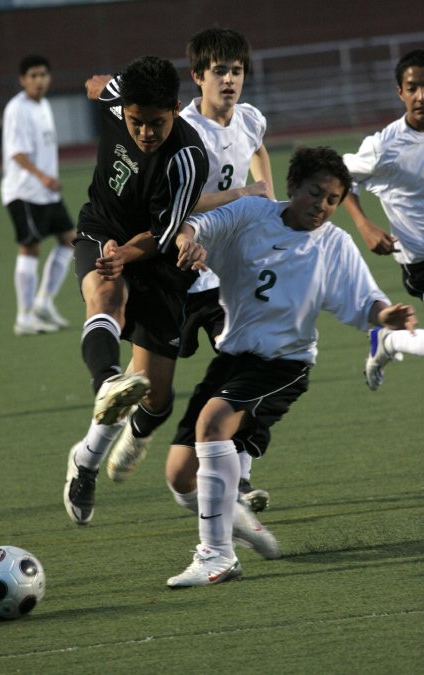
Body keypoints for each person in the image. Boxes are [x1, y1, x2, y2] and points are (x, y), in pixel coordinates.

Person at [165, 146, 416, 588]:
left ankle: (217, 555)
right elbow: (200, 223)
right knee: (180, 477)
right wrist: (188, 238)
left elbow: (364, 299)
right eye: (314, 193)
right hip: (234, 357)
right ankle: (239, 522)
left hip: (284, 364)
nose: (322, 206)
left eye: (332, 199)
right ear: (292, 187)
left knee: (213, 423)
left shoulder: (334, 244)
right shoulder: (250, 214)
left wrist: (384, 316)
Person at [107, 28, 274, 513]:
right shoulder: (183, 132)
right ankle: (137, 433)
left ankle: (236, 474)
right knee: (153, 392)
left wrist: (264, 186)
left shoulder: (250, 119)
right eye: (218, 71)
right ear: (197, 77)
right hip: (176, 273)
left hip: (229, 276)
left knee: (252, 367)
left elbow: (257, 148)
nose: (229, 80)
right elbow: (173, 205)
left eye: (236, 71)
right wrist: (243, 194)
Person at [63, 56, 209, 525]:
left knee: (156, 398)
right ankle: (90, 442)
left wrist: (125, 252)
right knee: (105, 297)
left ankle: (125, 432)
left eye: (157, 123)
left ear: (177, 109)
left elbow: (163, 236)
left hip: (154, 258)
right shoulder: (117, 99)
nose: (145, 132)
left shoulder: (188, 159)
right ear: (123, 108)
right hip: (99, 228)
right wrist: (101, 84)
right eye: (135, 122)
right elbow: (94, 83)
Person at [1, 54, 76, 336]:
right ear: (23, 80)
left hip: (47, 192)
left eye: (43, 74)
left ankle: (43, 302)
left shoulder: (43, 105)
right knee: (30, 248)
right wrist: (43, 176)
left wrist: (49, 180)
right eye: (33, 75)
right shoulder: (16, 109)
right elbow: (16, 152)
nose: (39, 80)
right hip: (25, 191)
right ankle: (24, 316)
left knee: (70, 240)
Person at [343, 49, 424, 301]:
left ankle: (389, 342)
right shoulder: (385, 147)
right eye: (412, 88)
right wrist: (364, 225)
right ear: (400, 92)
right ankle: (390, 342)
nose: (421, 96)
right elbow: (339, 175)